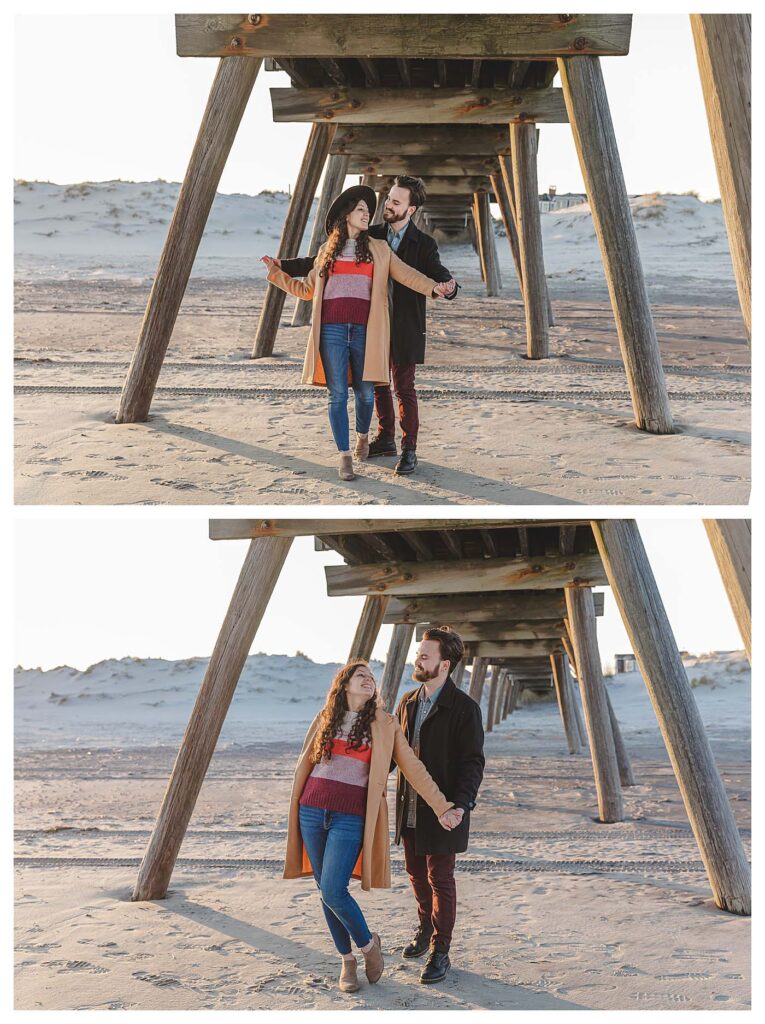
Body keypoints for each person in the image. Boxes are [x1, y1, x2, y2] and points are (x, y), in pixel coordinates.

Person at [284, 659, 463, 993]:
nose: (368, 680)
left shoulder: (384, 723)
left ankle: (368, 947)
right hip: (311, 810)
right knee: (325, 891)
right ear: (344, 684)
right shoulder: (325, 717)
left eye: (371, 677)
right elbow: (304, 764)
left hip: (351, 816)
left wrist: (443, 806)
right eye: (360, 675)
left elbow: (413, 767)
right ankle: (347, 960)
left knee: (334, 889)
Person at [260, 184, 452, 482]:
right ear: (346, 214)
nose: (369, 213)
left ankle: (369, 437)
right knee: (337, 396)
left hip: (369, 330)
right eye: (362, 209)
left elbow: (408, 274)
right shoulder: (328, 251)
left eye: (369, 209)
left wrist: (435, 288)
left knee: (366, 394)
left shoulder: (379, 247)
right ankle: (345, 457)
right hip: (332, 332)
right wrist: (277, 271)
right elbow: (307, 288)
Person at [393, 626, 485, 984]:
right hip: (409, 808)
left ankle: (440, 950)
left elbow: (472, 762)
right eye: (418, 654)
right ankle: (423, 928)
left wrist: (461, 804)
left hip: (445, 810)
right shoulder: (407, 702)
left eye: (425, 655)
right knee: (416, 875)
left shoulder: (465, 709)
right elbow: (394, 756)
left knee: (441, 880)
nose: (418, 659)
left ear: (444, 664)